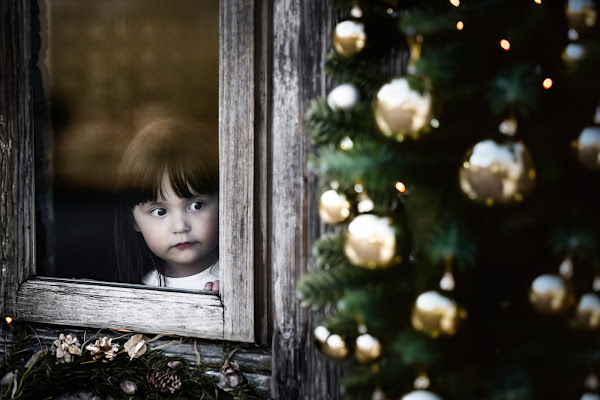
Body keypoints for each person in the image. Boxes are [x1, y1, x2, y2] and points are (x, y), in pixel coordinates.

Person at [114, 119, 219, 292]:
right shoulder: (142, 289)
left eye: (197, 206)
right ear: (133, 220)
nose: (180, 227)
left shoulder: (241, 278)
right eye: (160, 211)